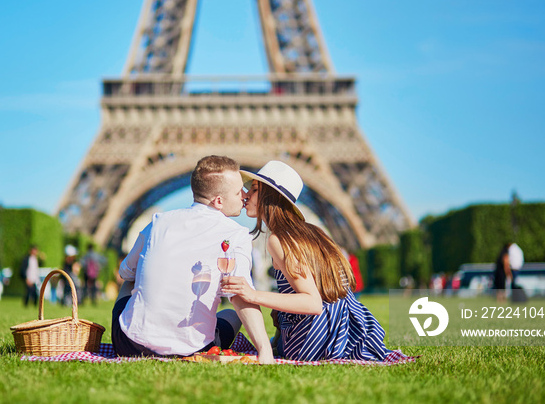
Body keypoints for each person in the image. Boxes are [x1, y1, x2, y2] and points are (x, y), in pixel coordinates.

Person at [222, 160, 397, 362]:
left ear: (269, 196)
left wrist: (252, 295)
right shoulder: (314, 234)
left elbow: (313, 303)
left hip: (314, 340)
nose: (245, 195)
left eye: (252, 190)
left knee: (227, 337)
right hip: (351, 335)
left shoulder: (278, 240)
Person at [112, 155, 274, 364]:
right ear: (218, 201)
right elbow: (239, 294)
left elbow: (125, 273)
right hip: (193, 349)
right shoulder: (236, 234)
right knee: (231, 315)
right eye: (238, 191)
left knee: (130, 279)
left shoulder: (158, 222)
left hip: (129, 345)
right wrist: (264, 350)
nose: (244, 195)